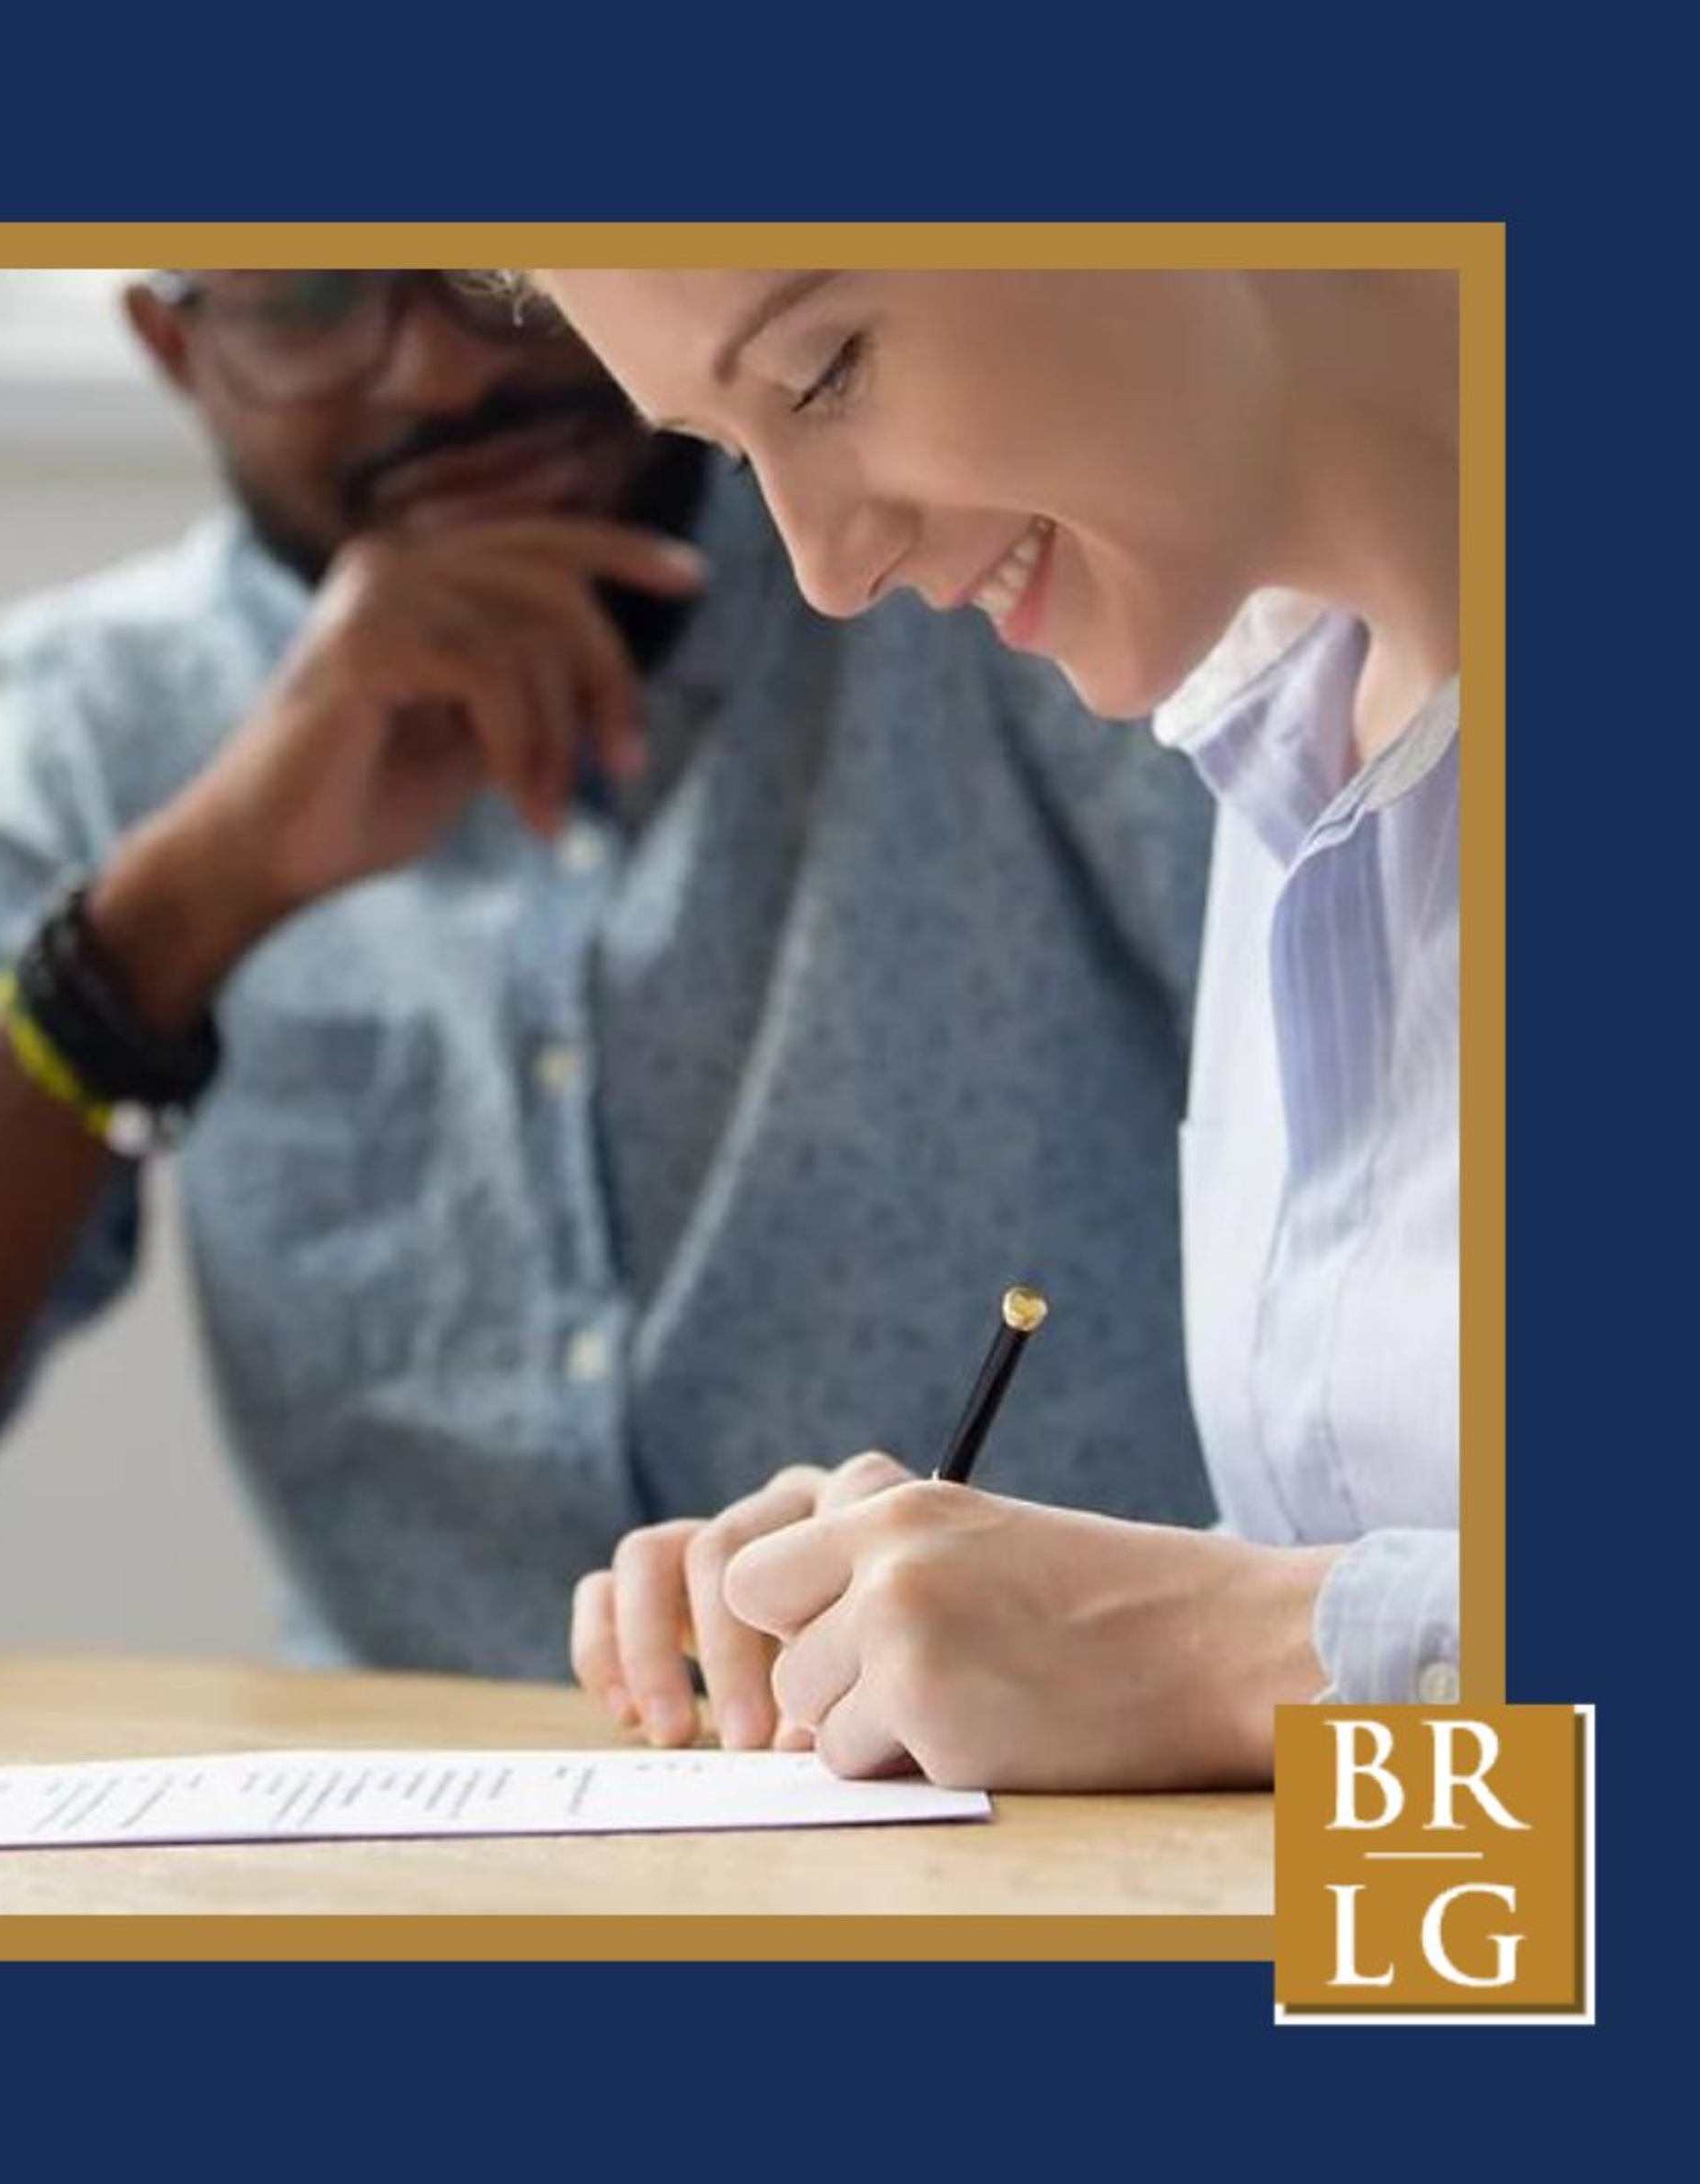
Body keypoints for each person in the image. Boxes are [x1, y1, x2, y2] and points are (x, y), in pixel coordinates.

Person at [0, 268, 1215, 1690]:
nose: (438, 376)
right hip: (415, 1865)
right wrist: (171, 918)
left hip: (1062, 1804)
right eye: (310, 305)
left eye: (502, 281)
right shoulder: (95, 735)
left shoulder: (988, 580)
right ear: (177, 346)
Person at [535, 269, 1459, 1784]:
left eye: (826, 372)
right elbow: (1478, 1824)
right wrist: (962, 1608)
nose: (826, 569)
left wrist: (1224, 1651)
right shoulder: (1290, 740)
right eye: (725, 448)